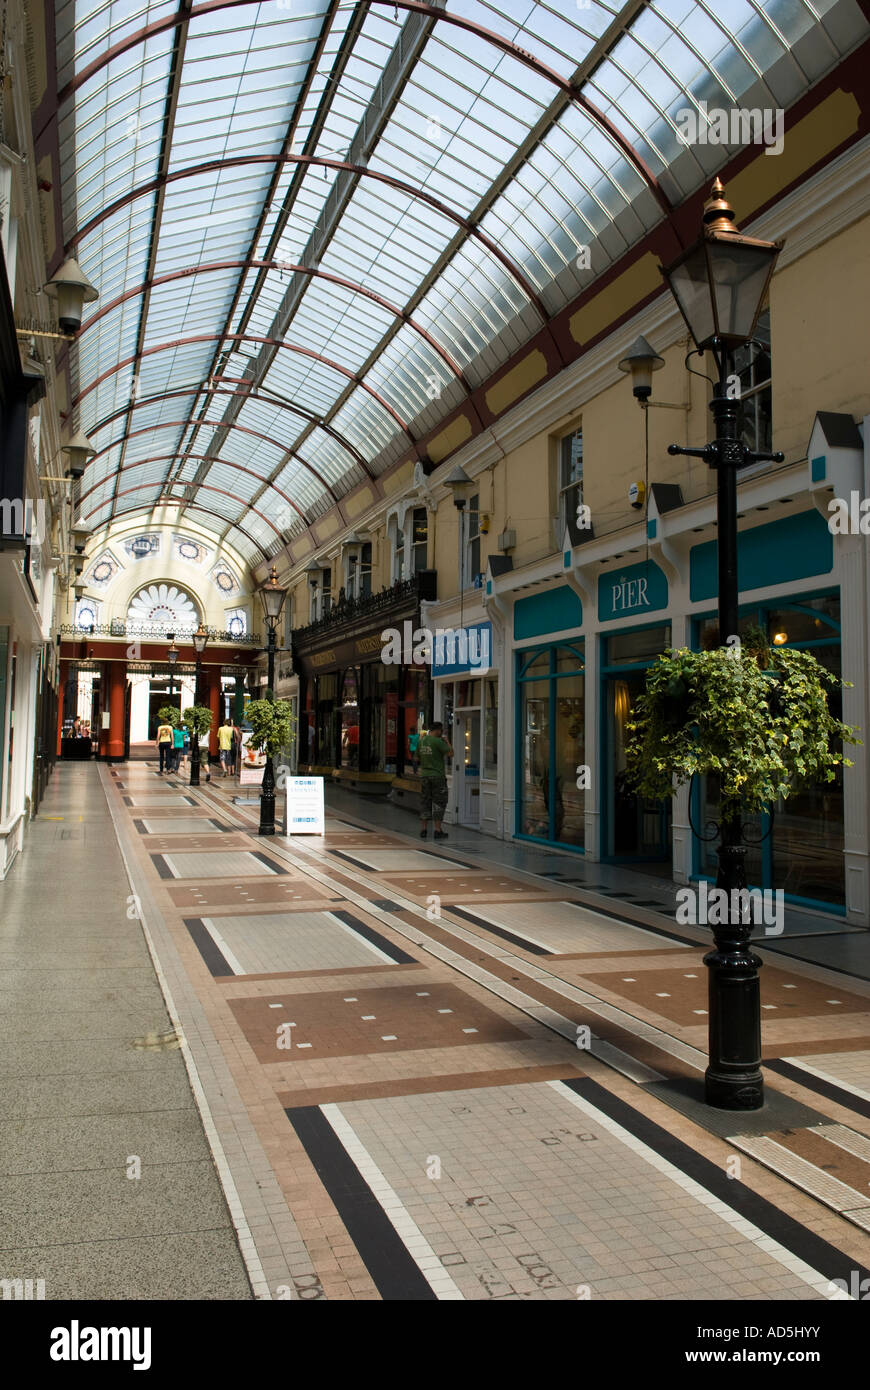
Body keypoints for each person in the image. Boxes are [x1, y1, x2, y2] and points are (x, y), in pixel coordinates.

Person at [418, 720, 453, 840]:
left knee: (425, 801)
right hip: (437, 776)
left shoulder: (422, 741)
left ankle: (423, 829)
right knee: (439, 802)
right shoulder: (438, 741)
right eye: (441, 730)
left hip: (425, 776)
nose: (441, 732)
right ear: (438, 730)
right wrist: (447, 741)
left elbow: (416, 756)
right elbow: (450, 753)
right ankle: (437, 830)